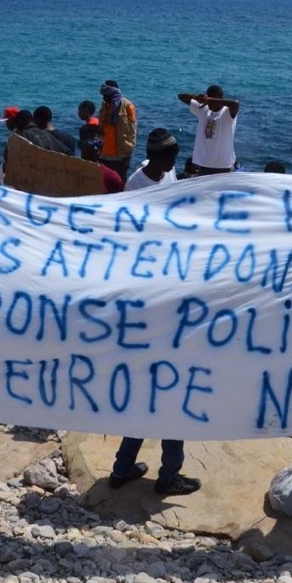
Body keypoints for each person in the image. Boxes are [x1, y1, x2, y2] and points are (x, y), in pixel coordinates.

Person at [109, 129, 198, 495]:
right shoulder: (137, 187)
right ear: (159, 159)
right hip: (157, 305)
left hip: (153, 303)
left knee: (145, 399)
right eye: (168, 161)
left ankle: (123, 468)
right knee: (171, 400)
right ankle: (168, 477)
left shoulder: (165, 175)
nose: (171, 167)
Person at [178, 85, 239, 174]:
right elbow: (181, 97)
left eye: (212, 99)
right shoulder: (203, 109)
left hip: (224, 166)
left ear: (220, 99)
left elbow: (236, 103)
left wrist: (210, 100)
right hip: (203, 165)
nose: (209, 103)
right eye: (208, 98)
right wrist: (197, 97)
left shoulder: (227, 113)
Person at [98, 81, 137, 181]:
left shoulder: (128, 107)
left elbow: (132, 132)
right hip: (104, 154)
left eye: (105, 95)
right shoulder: (104, 105)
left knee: (120, 181)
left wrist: (128, 150)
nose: (103, 98)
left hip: (120, 154)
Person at [78, 124, 125, 194]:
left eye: (99, 144)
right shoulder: (66, 172)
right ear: (79, 145)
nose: (95, 148)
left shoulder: (112, 178)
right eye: (90, 143)